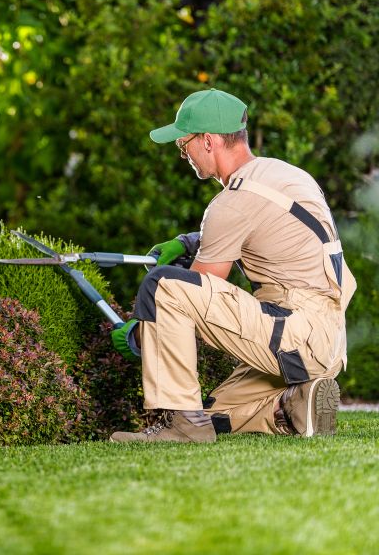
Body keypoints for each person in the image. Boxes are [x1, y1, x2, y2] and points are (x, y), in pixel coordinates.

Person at [109, 88, 356, 443]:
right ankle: (290, 406)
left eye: (183, 144)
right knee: (210, 412)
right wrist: (189, 242)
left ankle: (184, 428)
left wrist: (138, 334)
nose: (183, 154)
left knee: (163, 286)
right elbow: (266, 229)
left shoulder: (232, 202)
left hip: (294, 335)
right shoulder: (284, 175)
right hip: (326, 340)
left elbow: (196, 295)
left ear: (208, 141)